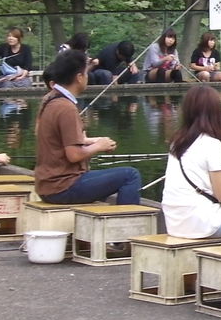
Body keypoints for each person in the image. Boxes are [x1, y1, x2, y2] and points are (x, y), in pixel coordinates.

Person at [34, 50, 142, 205]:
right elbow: (74, 155)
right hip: (62, 188)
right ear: (79, 78)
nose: (87, 77)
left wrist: (91, 141)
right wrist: (99, 146)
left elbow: (58, 141)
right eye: (85, 73)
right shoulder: (66, 108)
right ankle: (127, 225)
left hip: (47, 186)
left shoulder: (50, 99)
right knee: (130, 175)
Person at [161, 84, 221, 239]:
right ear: (216, 112)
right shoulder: (211, 144)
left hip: (174, 222)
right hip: (200, 222)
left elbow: (197, 176)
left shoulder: (177, 142)